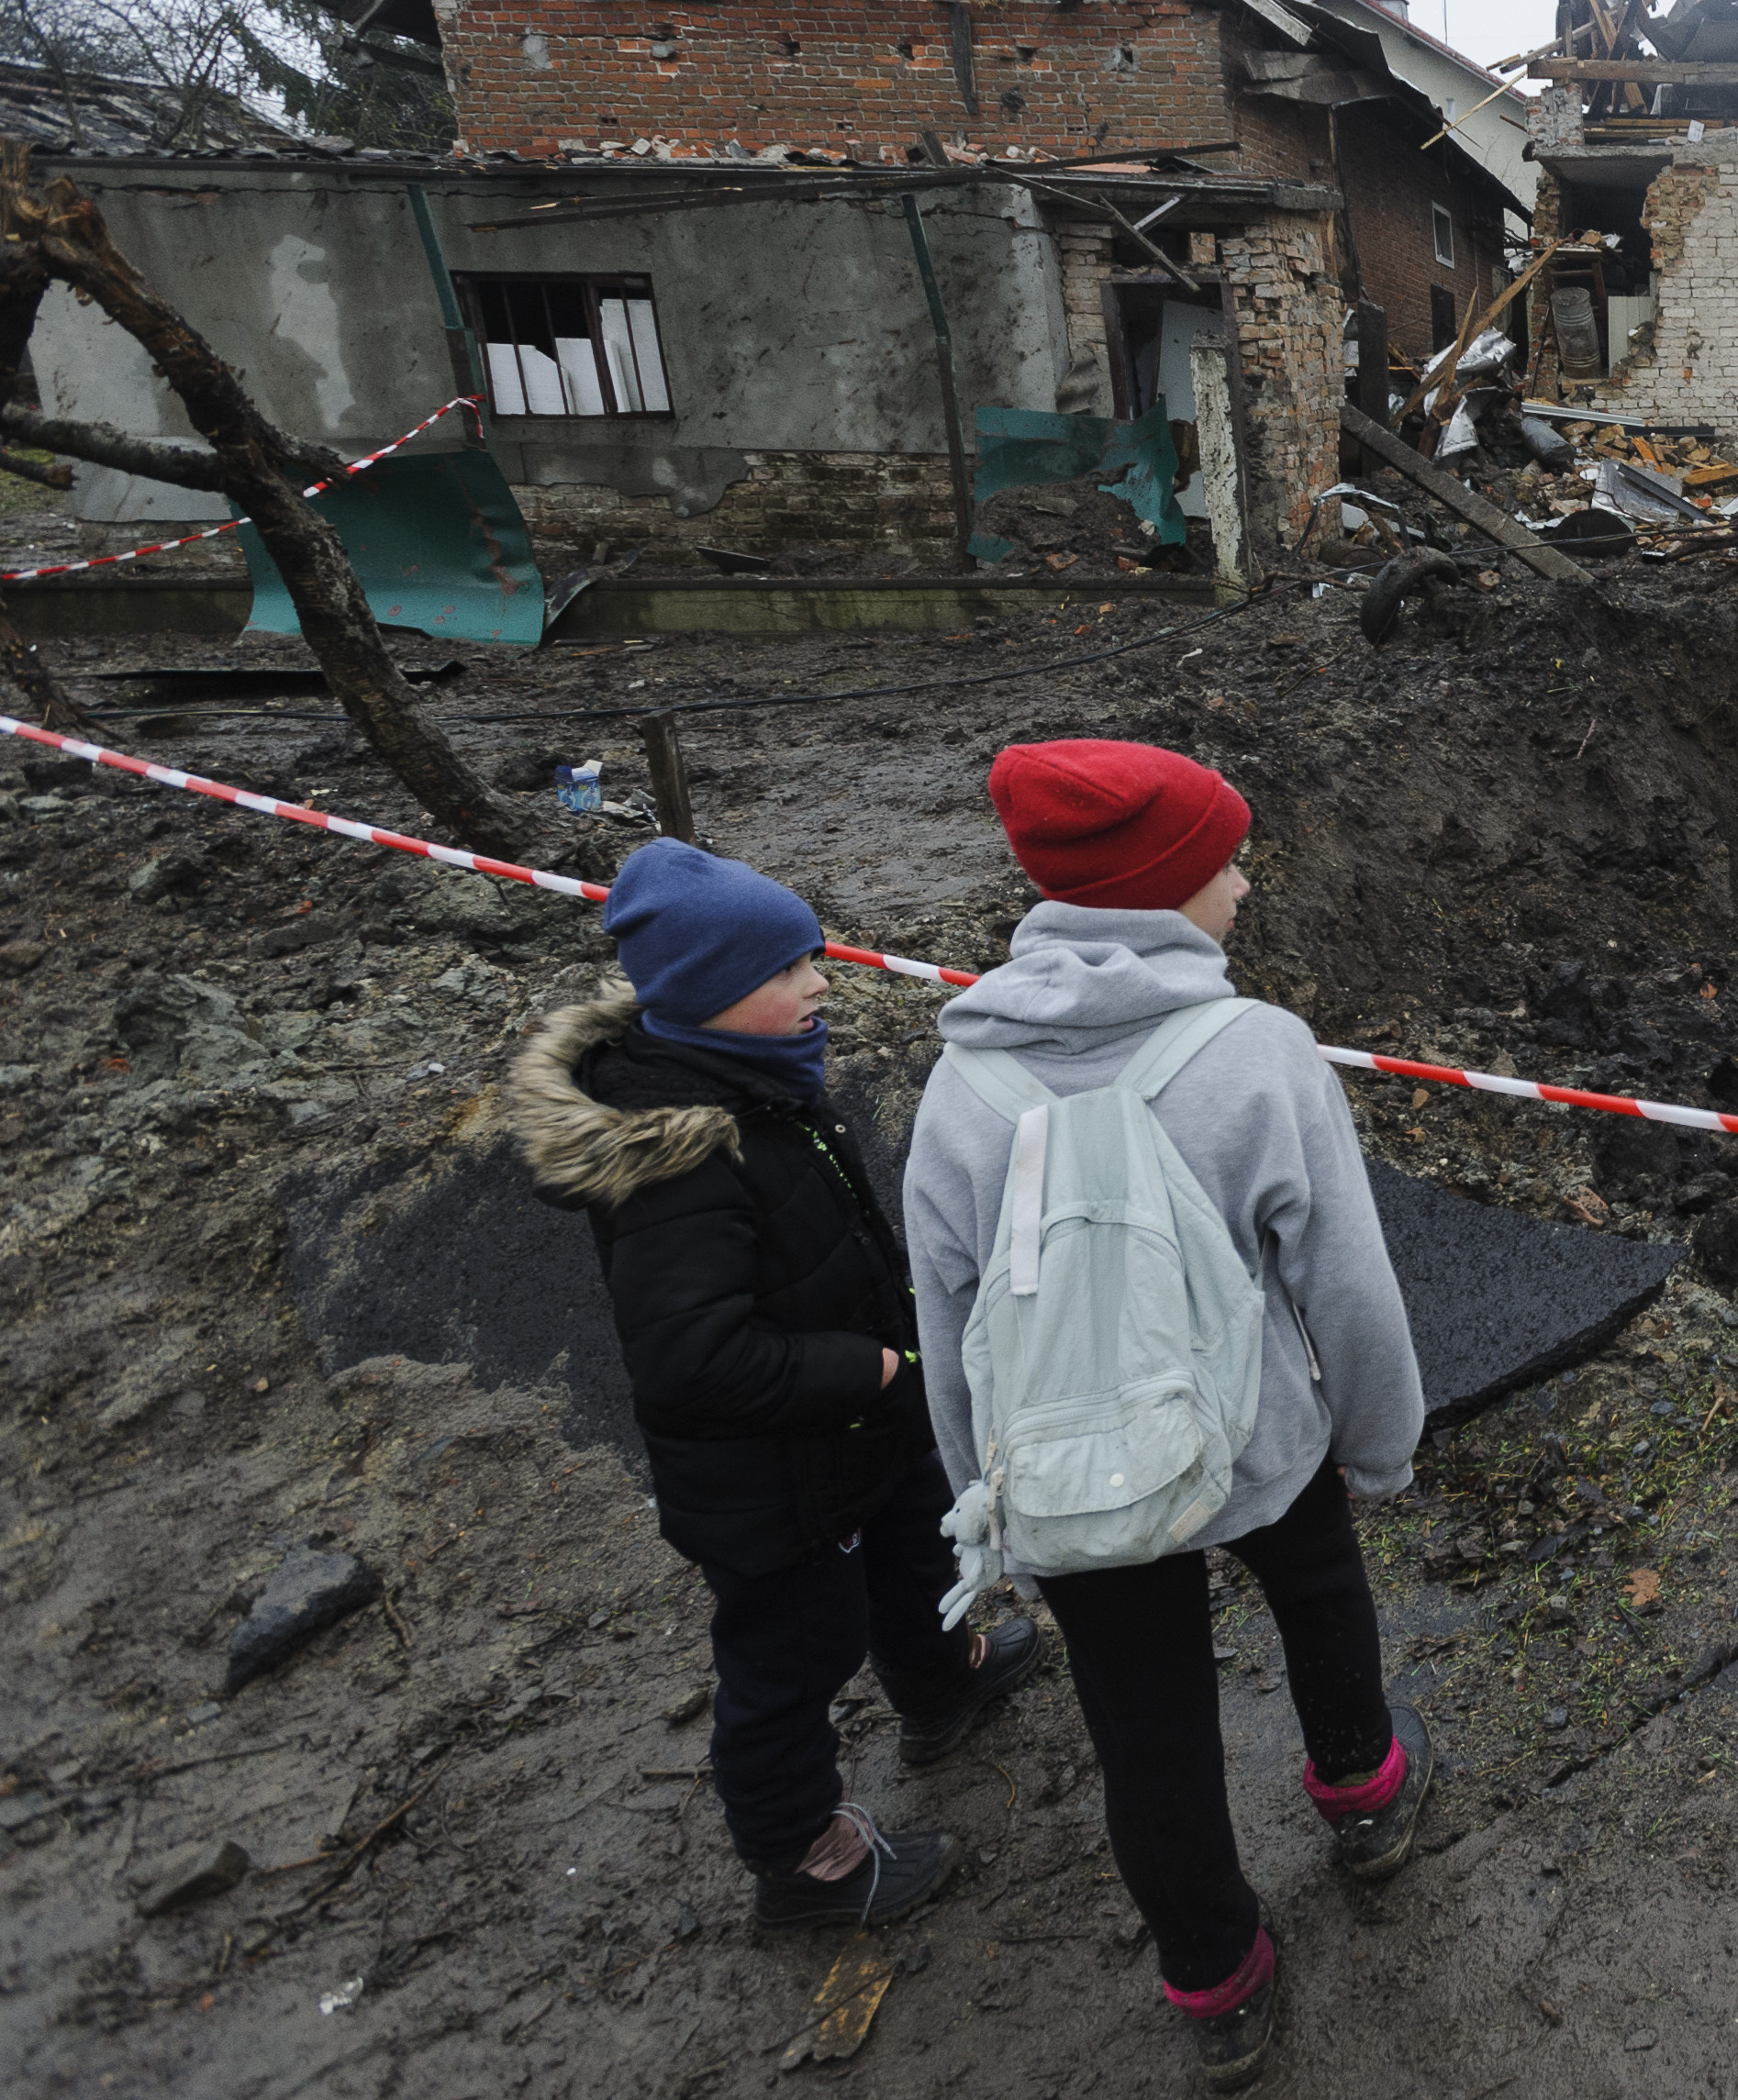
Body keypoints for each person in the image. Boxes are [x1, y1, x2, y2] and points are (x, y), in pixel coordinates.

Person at [901, 739, 1429, 2091]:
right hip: (1256, 1443)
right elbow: (1348, 1286)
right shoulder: (1256, 1055)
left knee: (1144, 1728)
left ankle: (1214, 1975)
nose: (1246, 884)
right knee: (1319, 1601)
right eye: (1223, 860)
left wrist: (990, 1513)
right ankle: (1363, 1795)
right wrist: (1379, 1441)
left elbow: (950, 1328)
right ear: (1160, 889)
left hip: (1078, 1488)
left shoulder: (963, 1081)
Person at [504, 838, 1042, 1930]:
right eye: (787, 971)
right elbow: (689, 1362)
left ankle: (939, 1685)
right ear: (708, 998)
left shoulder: (761, 1083)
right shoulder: (678, 1160)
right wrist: (875, 1364)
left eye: (811, 959)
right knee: (789, 1661)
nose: (819, 983)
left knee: (913, 1547)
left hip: (854, 1432)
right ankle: (801, 1857)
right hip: (774, 1482)